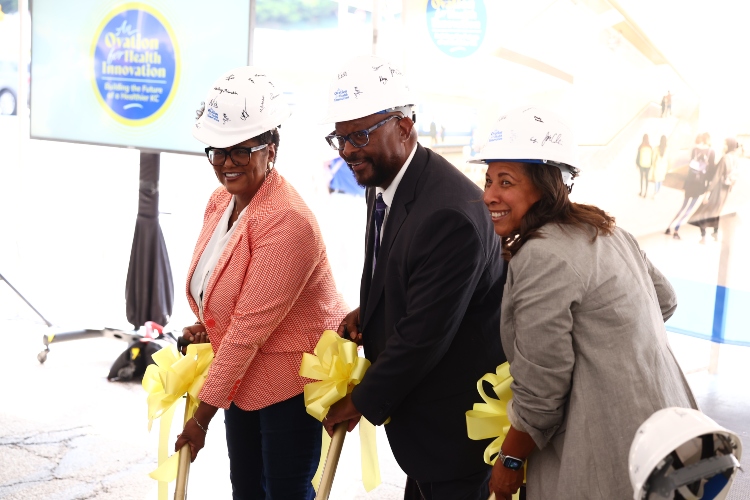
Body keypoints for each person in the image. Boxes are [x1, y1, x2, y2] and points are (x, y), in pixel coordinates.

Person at [475, 107, 698, 500]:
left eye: (505, 182)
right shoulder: (604, 229)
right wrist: (611, 355)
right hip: (668, 432)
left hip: (606, 446)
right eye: (489, 179)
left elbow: (542, 394)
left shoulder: (541, 255)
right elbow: (664, 300)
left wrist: (509, 461)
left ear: (545, 186)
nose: (489, 194)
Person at [321, 55, 506, 500]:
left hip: (454, 431)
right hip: (424, 431)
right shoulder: (385, 183)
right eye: (340, 138)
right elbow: (411, 276)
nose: (347, 150)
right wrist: (373, 310)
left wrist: (361, 401)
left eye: (360, 135)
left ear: (404, 127)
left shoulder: (448, 214)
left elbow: (424, 336)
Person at [174, 67, 348, 500]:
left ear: (271, 149)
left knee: (284, 493)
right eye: (218, 150)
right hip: (242, 375)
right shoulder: (220, 201)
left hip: (289, 377)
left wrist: (201, 420)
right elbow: (227, 295)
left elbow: (249, 329)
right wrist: (209, 326)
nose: (227, 162)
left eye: (241, 150)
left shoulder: (288, 221)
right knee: (246, 490)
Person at [688, 138, 740, 243]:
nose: (724, 146)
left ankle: (703, 237)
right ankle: (715, 234)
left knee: (703, 212)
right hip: (725, 191)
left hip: (717, 190)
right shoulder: (735, 159)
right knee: (716, 212)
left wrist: (708, 192)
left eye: (725, 144)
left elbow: (716, 176)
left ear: (729, 145)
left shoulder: (725, 158)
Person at [666, 133, 714, 239]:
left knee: (683, 207)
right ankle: (676, 231)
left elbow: (689, 171)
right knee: (689, 209)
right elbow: (710, 173)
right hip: (699, 186)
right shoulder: (711, 152)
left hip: (690, 184)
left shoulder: (694, 150)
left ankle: (669, 227)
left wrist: (685, 185)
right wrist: (708, 190)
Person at [636, 133, 654, 198]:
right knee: (646, 179)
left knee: (641, 178)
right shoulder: (650, 147)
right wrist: (651, 164)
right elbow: (652, 157)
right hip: (648, 165)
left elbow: (638, 156)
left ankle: (641, 191)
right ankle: (645, 193)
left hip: (641, 165)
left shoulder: (641, 146)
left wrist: (637, 164)